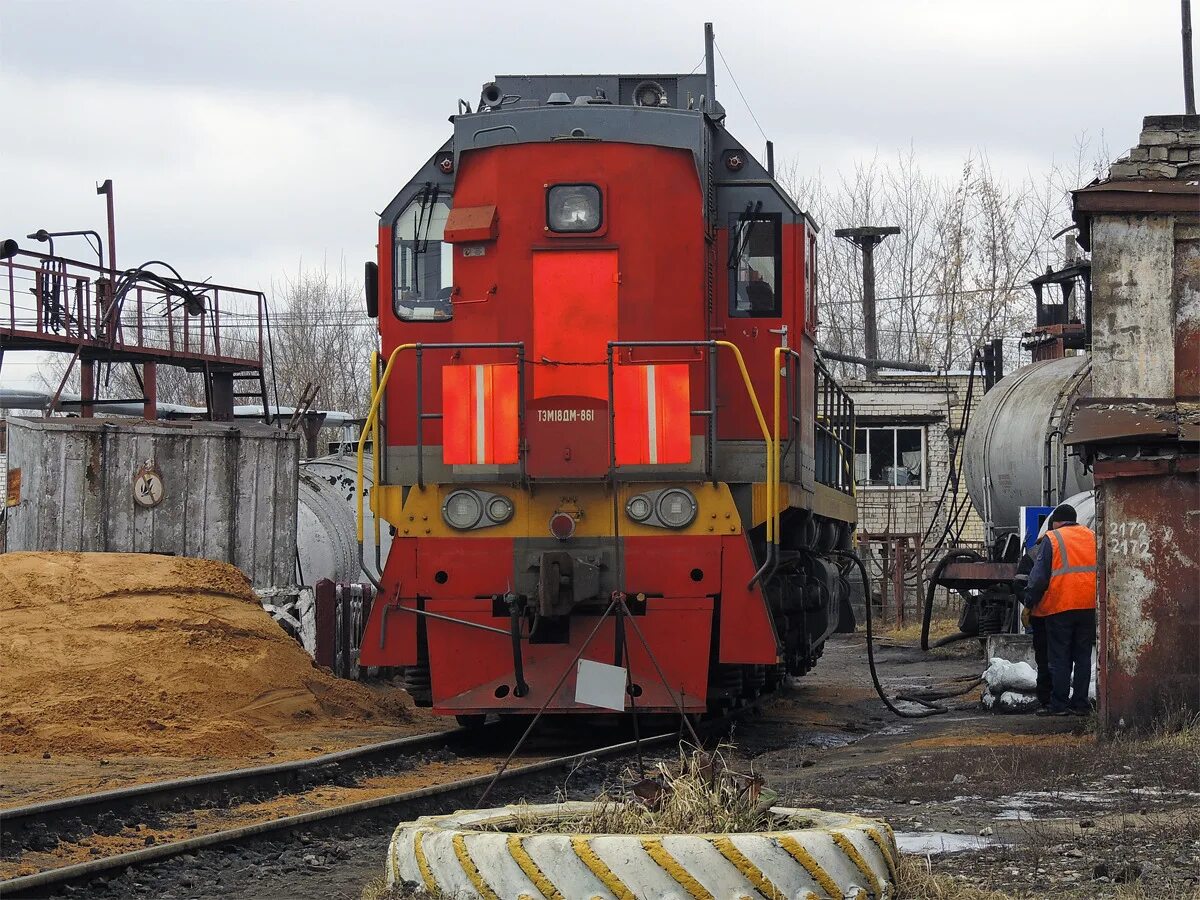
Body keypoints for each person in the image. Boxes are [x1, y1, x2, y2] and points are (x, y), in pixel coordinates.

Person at [1023, 504, 1098, 717]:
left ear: (1056, 522)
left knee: (1060, 657)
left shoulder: (1053, 539)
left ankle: (1059, 705)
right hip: (1089, 606)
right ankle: (1081, 704)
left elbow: (1038, 578)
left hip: (1061, 607)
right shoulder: (1091, 536)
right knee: (1083, 656)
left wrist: (1029, 602)